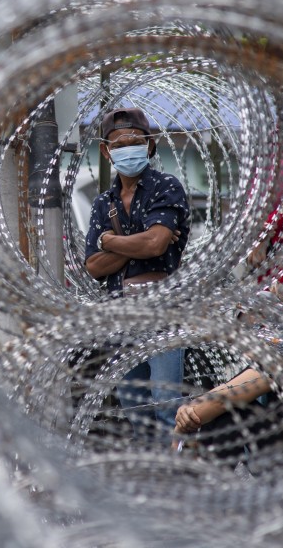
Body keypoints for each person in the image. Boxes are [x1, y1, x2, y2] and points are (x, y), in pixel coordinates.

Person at [84, 107, 190, 434]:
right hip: (121, 315)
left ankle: (174, 474)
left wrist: (110, 241)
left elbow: (156, 246)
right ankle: (150, 473)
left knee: (165, 404)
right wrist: (140, 239)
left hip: (163, 312)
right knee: (134, 404)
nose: (127, 148)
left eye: (135, 141)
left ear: (150, 145)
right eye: (118, 144)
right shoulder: (104, 203)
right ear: (106, 150)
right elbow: (93, 266)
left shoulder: (166, 188)